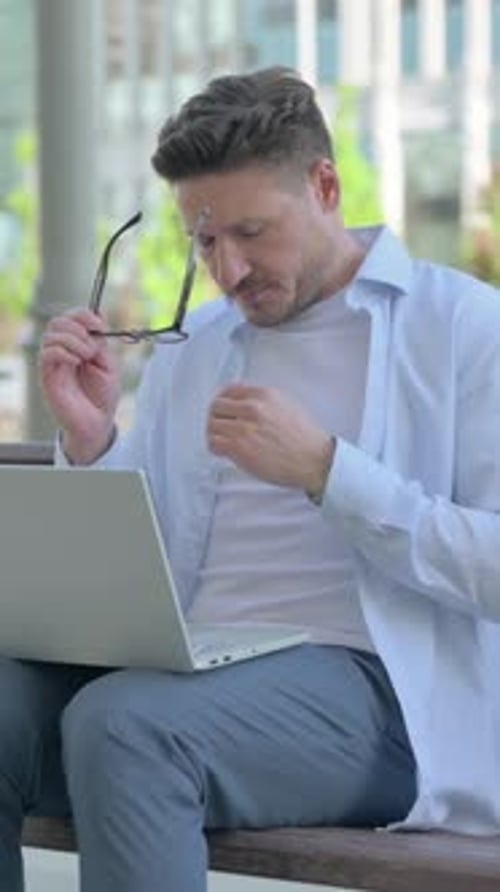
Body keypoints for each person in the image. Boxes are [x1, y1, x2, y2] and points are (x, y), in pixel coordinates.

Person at [3, 65, 500, 891]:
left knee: (127, 727)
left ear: (327, 185)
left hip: (380, 699)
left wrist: (329, 472)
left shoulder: (465, 329)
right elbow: (145, 566)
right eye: (203, 242)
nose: (228, 270)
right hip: (186, 672)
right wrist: (93, 446)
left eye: (251, 232)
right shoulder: (194, 346)